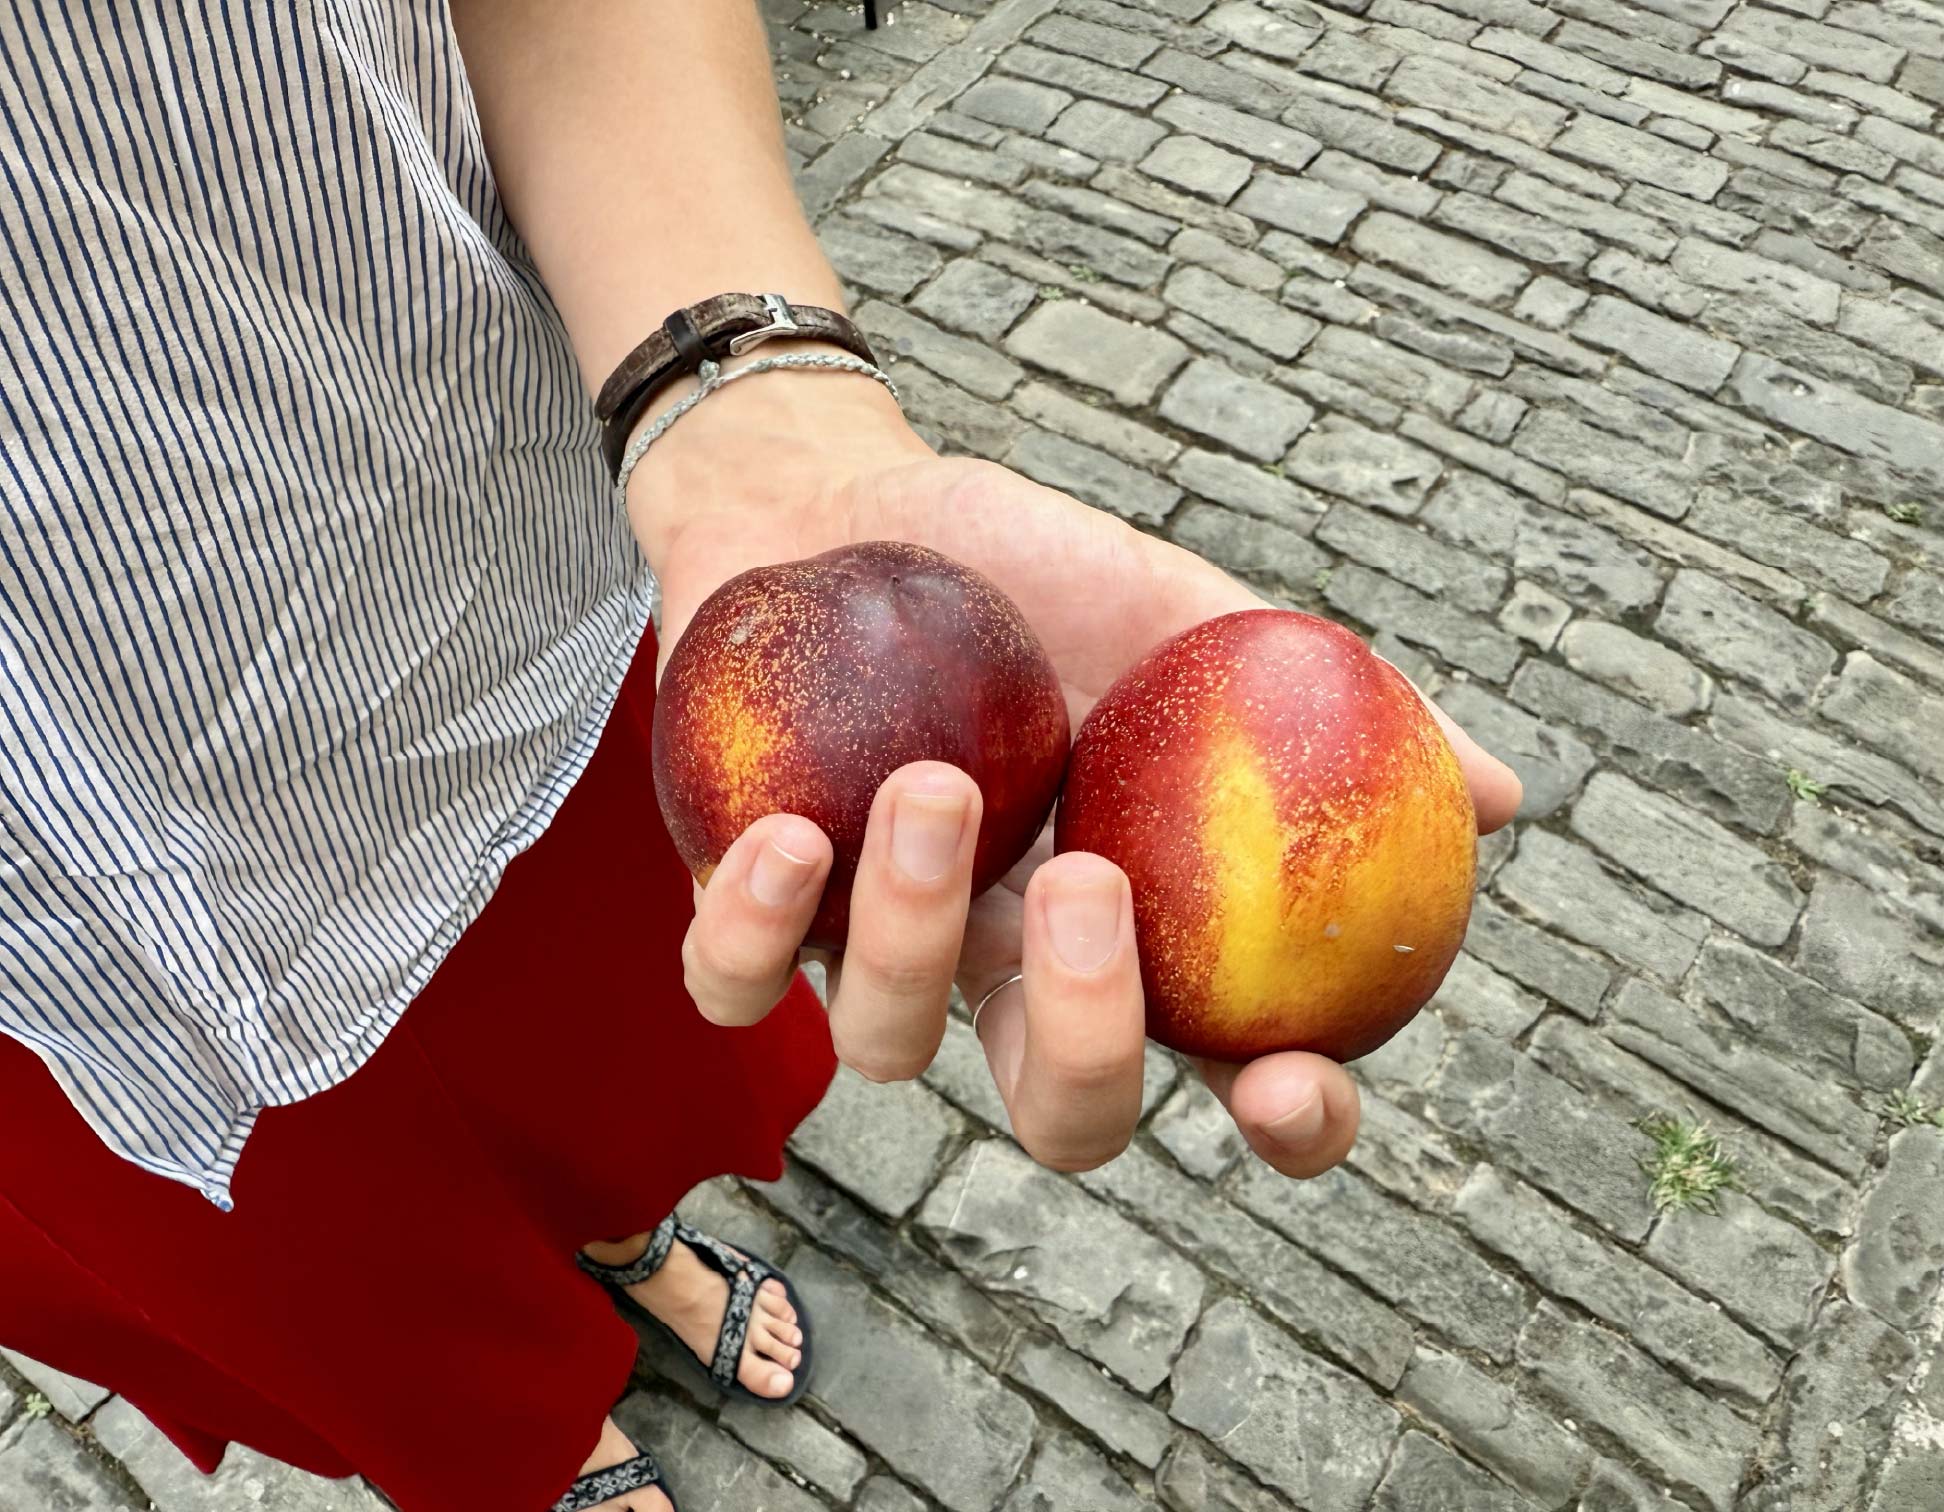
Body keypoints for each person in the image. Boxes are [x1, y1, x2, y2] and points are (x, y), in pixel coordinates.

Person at [0, 3, 1521, 1510]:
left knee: (599, 1072)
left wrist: (747, 404)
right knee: (325, 1262)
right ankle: (541, 1441)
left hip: (484, 610)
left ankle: (618, 1237)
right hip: (49, 923)